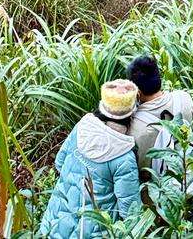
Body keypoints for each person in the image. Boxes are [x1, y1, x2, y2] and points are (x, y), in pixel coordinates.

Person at [40, 80, 141, 238]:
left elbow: (59, 163)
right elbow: (131, 212)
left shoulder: (82, 127)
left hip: (55, 225)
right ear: (132, 114)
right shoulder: (124, 157)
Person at [127, 55, 193, 179]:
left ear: (137, 93)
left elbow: (141, 172)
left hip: (159, 192)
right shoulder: (184, 98)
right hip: (191, 176)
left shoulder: (135, 129)